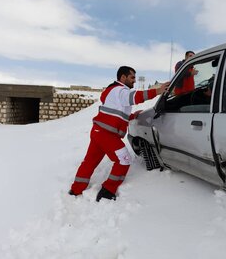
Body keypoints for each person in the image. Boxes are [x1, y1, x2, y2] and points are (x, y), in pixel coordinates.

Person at [69, 66, 170, 202]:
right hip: (106, 134)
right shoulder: (120, 90)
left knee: (89, 162)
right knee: (124, 159)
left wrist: (133, 115)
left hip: (99, 132)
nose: (134, 81)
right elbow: (136, 97)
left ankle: (76, 189)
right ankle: (108, 190)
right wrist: (158, 91)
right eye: (132, 77)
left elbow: (117, 114)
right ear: (123, 77)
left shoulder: (114, 92)